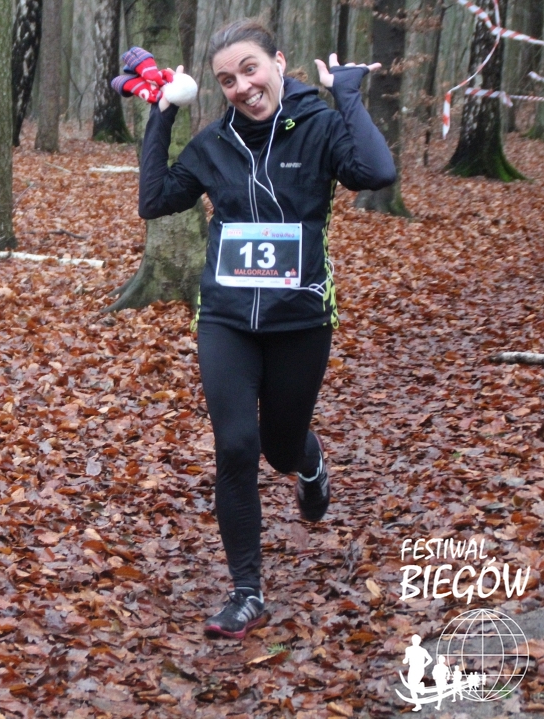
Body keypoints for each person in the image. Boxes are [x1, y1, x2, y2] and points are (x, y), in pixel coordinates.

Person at [136, 19, 396, 639]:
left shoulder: (321, 126)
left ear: (278, 62)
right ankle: (246, 592)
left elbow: (376, 172)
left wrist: (348, 95)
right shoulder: (214, 143)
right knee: (235, 446)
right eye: (227, 79)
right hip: (226, 318)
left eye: (250, 69)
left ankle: (307, 458)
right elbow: (154, 200)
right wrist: (161, 115)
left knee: (279, 448)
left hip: (300, 318)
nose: (242, 87)